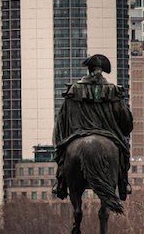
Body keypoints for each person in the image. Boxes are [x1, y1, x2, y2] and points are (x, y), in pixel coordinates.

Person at [52, 54, 132, 201]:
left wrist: (61, 140)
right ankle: (123, 183)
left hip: (78, 133)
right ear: (103, 71)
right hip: (108, 134)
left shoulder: (74, 89)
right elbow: (126, 120)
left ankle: (60, 182)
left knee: (63, 153)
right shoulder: (113, 90)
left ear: (89, 70)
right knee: (124, 153)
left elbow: (62, 119)